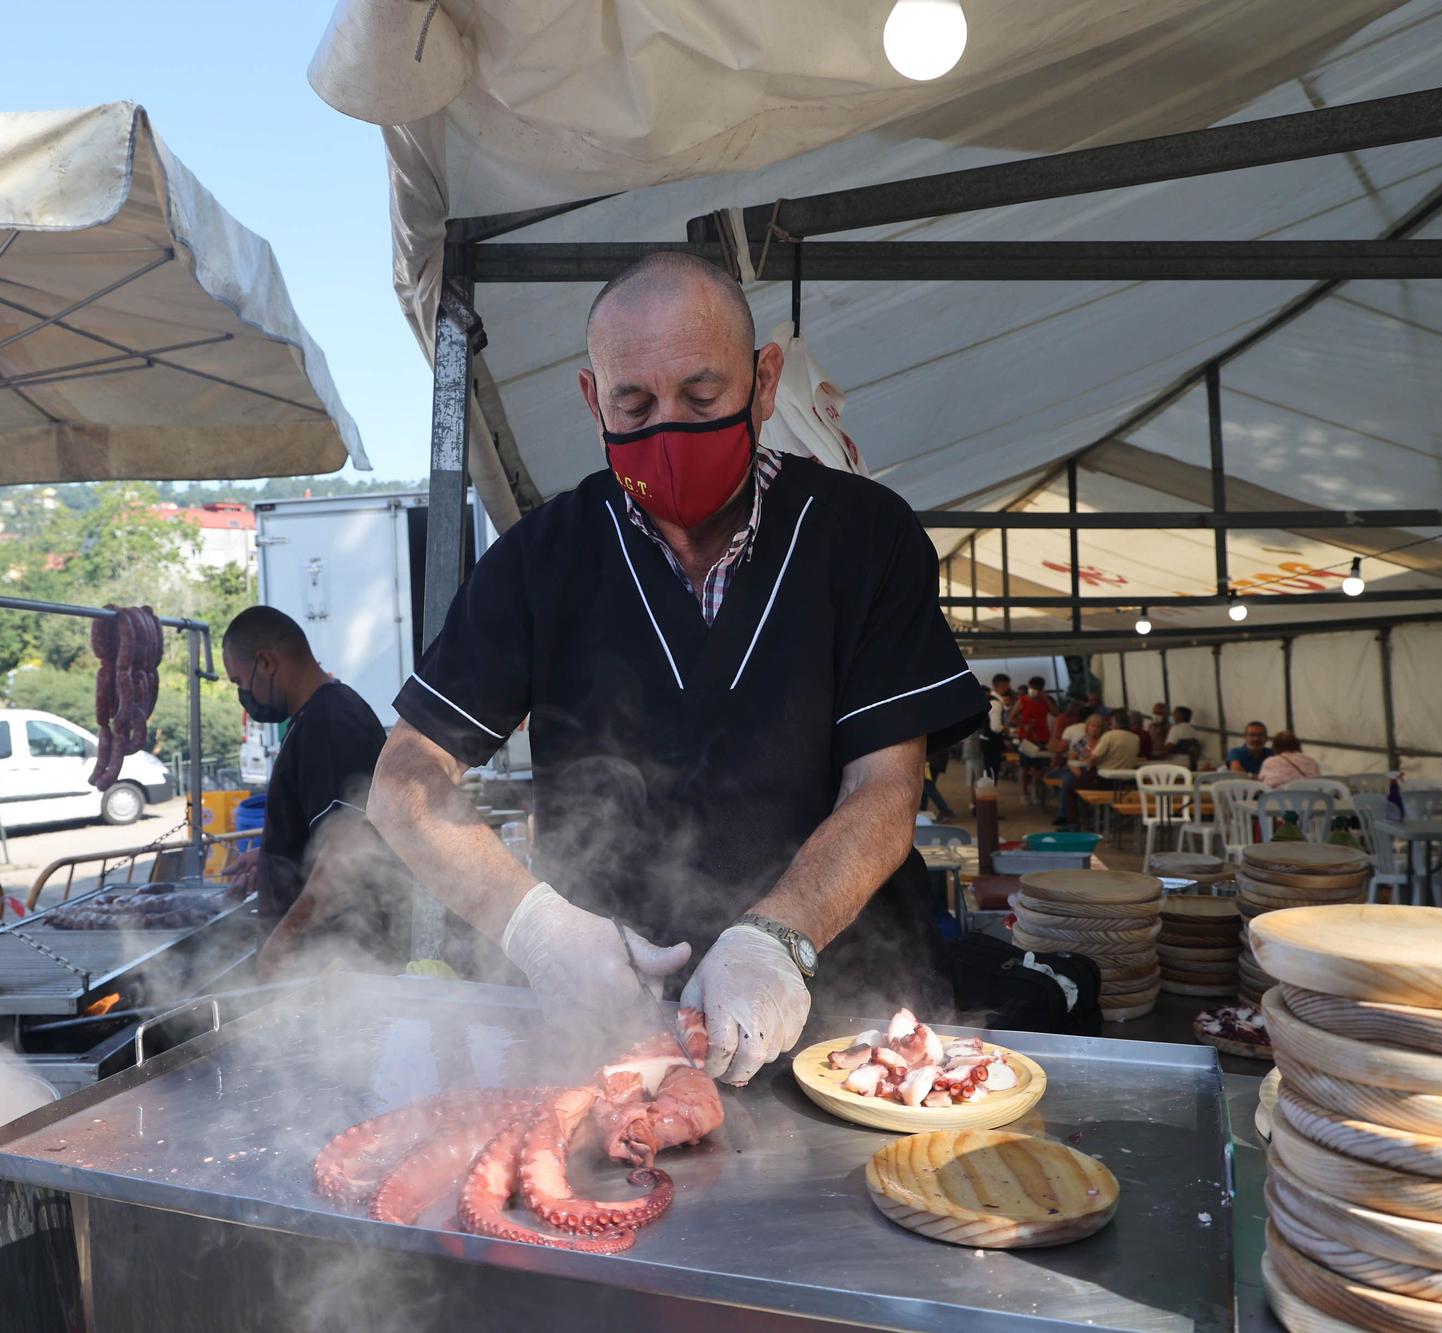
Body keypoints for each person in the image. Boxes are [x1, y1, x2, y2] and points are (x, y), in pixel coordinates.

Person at [368, 250, 986, 1087]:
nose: (668, 429)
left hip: (853, 1022)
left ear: (765, 384)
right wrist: (536, 926)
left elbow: (886, 788)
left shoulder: (864, 537)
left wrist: (778, 938)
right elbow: (404, 782)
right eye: (634, 402)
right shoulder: (539, 562)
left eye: (702, 397)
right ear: (593, 401)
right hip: (615, 1031)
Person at [219, 606, 403, 974]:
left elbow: (347, 855)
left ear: (267, 662)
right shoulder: (317, 715)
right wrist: (276, 857)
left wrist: (283, 941)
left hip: (339, 960)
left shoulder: (330, 724)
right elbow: (327, 828)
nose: (243, 694)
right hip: (325, 958)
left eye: (240, 682)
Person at [1053, 712, 1141, 828]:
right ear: (1087, 726)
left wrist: (1088, 763)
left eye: (1098, 726)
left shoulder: (1107, 738)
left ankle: (1072, 823)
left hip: (1100, 776)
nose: (1095, 729)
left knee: (1069, 785)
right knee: (1069, 779)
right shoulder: (1135, 737)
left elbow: (1093, 759)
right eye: (1092, 726)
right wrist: (1080, 773)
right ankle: (1074, 817)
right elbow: (1072, 760)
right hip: (1113, 777)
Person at [1259, 731, 1323, 790]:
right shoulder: (1312, 762)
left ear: (1275, 746)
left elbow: (1264, 785)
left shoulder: (1270, 762)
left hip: (1279, 800)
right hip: (1311, 800)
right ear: (1297, 744)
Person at [922, 735, 956, 820]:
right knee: (925, 786)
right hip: (935, 759)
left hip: (931, 760)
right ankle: (922, 811)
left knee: (928, 786)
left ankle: (946, 811)